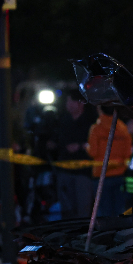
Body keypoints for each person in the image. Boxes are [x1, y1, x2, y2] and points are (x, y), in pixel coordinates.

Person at [55, 90, 97, 219]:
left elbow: (95, 144)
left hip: (83, 173)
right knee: (67, 209)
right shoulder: (63, 120)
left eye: (70, 101)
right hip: (65, 170)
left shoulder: (92, 121)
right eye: (67, 101)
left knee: (83, 209)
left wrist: (79, 146)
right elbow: (57, 140)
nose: (68, 104)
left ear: (80, 103)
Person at [87, 105, 132, 217]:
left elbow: (93, 152)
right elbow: (128, 153)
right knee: (120, 211)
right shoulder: (122, 127)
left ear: (100, 110)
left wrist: (86, 147)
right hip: (120, 174)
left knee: (103, 212)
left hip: (101, 176)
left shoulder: (96, 128)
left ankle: (106, 234)